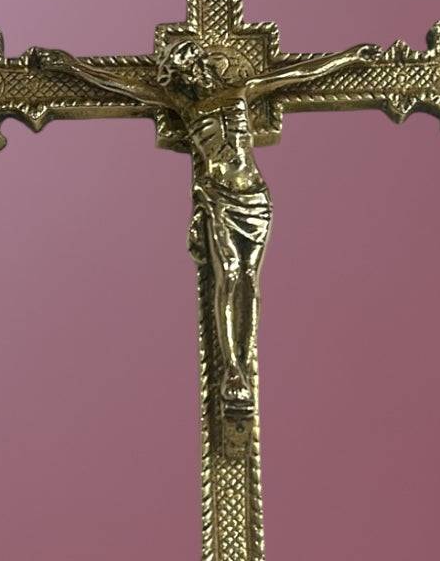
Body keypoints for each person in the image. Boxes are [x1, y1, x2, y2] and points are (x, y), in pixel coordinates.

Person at [42, 38, 378, 409]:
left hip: (254, 197)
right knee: (229, 274)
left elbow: (298, 74)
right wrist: (70, 65)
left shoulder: (242, 90)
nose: (193, 73)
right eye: (184, 70)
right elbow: (122, 85)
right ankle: (232, 369)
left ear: (204, 64)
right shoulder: (184, 105)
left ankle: (243, 362)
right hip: (220, 197)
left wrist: (348, 57)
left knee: (249, 278)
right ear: (179, 76)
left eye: (194, 64)